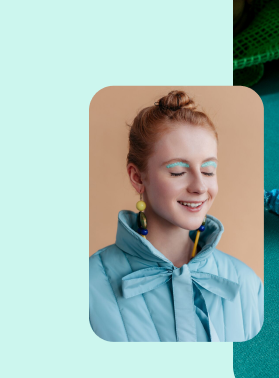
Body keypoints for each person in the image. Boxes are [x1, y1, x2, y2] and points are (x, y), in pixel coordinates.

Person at [89, 91, 264, 342]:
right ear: (138, 177)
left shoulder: (247, 284)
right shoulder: (88, 286)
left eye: (208, 170)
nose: (200, 187)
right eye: (178, 172)